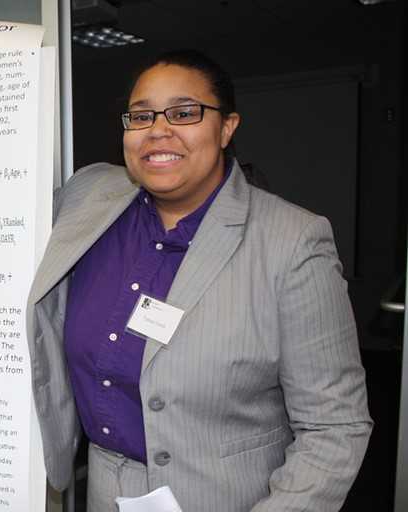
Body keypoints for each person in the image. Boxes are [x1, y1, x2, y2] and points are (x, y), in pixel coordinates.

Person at [27, 50, 372, 511]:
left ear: (227, 127)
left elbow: (335, 428)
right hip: (105, 491)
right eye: (142, 115)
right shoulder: (88, 197)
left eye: (185, 112)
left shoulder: (292, 241)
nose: (158, 129)